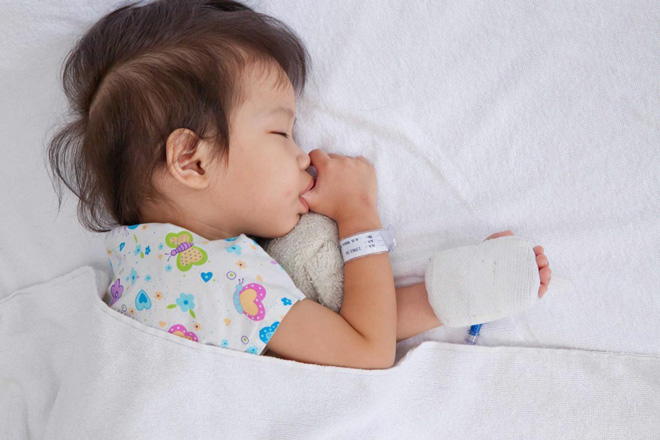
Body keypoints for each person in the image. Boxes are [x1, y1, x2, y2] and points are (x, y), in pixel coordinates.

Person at [47, 0, 551, 370]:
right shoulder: (220, 277)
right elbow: (366, 350)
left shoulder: (148, 263)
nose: (304, 155)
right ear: (192, 161)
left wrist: (461, 292)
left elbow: (335, 333)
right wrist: (357, 212)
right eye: (280, 133)